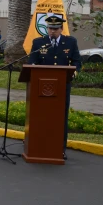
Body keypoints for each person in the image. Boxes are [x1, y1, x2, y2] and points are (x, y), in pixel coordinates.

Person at [29, 15, 82, 158]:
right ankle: (39, 146)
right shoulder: (39, 42)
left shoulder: (70, 42)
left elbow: (77, 61)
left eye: (55, 28)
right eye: (50, 28)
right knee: (41, 117)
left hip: (62, 86)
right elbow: (32, 62)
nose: (52, 31)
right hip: (41, 88)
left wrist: (74, 73)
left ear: (61, 29)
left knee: (61, 117)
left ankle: (60, 148)